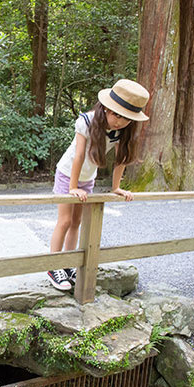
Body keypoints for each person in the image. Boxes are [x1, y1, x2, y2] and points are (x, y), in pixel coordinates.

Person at [47, 79, 150, 291]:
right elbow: (78, 156)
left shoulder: (123, 131)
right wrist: (73, 187)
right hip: (68, 175)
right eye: (117, 114)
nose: (120, 121)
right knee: (65, 221)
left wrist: (116, 188)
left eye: (126, 118)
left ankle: (68, 264)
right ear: (105, 108)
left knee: (77, 222)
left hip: (87, 178)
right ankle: (53, 266)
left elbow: (121, 160)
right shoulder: (86, 121)